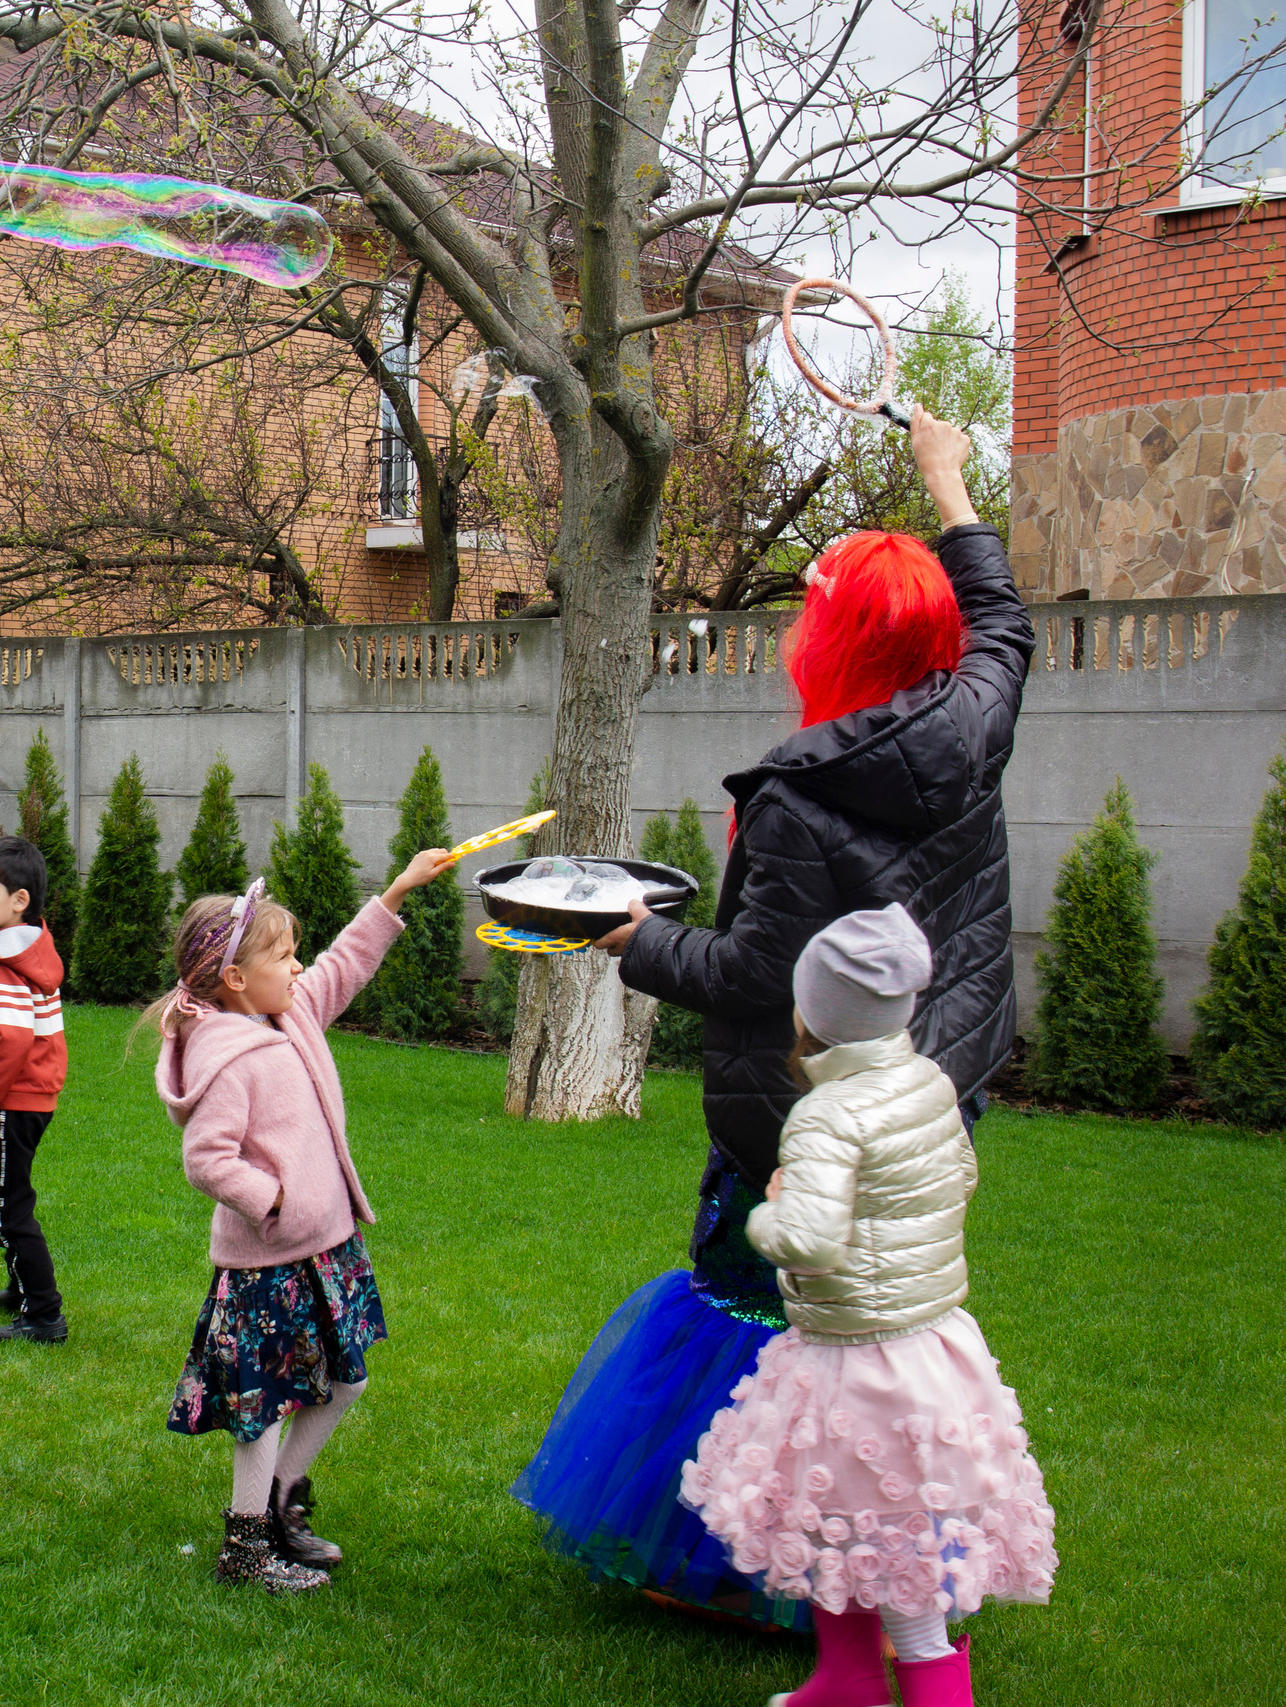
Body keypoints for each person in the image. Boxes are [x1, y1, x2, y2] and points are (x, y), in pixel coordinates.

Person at [511, 409, 1034, 1626]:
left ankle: (741, 1568)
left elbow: (756, 974)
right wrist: (946, 480)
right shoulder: (975, 720)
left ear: (835, 637)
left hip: (801, 1113)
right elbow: (1004, 618)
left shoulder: (804, 796)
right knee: (888, 1328)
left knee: (760, 1309)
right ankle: (878, 1571)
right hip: (929, 1097)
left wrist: (627, 938)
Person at [681, 905, 1054, 1707]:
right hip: (931, 1345)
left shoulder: (827, 1114)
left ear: (812, 1012)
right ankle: (848, 1682)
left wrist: (768, 1211)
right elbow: (960, 1175)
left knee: (896, 1559)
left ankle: (930, 1694)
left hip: (860, 1364)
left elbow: (809, 1238)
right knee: (837, 1529)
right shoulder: (929, 1080)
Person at [152, 849, 459, 1593]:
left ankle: (284, 1502)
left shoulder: (288, 1012)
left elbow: (342, 965)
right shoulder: (228, 1056)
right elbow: (208, 1159)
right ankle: (247, 1550)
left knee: (344, 1379)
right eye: (283, 956)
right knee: (261, 1407)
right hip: (268, 1264)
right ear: (234, 979)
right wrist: (276, 1202)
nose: (298, 967)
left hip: (327, 1249)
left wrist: (397, 891)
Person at [0, 835, 70, 1344]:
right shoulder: (28, 945)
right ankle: (21, 1282)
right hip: (27, 1096)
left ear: (19, 900)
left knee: (7, 1204)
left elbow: (16, 1036)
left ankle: (43, 1315)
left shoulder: (2, 961)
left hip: (14, 1098)